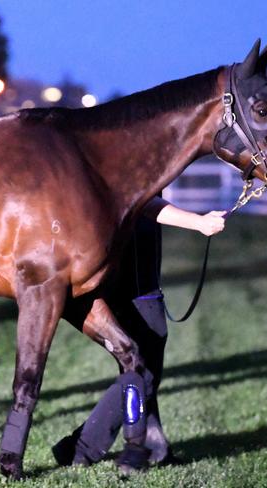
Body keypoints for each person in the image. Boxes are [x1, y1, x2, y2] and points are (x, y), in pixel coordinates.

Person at [52, 196, 226, 472]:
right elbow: (143, 202)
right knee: (143, 373)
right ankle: (79, 447)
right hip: (136, 292)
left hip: (136, 287)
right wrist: (198, 222)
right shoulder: (131, 160)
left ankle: (156, 446)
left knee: (142, 372)